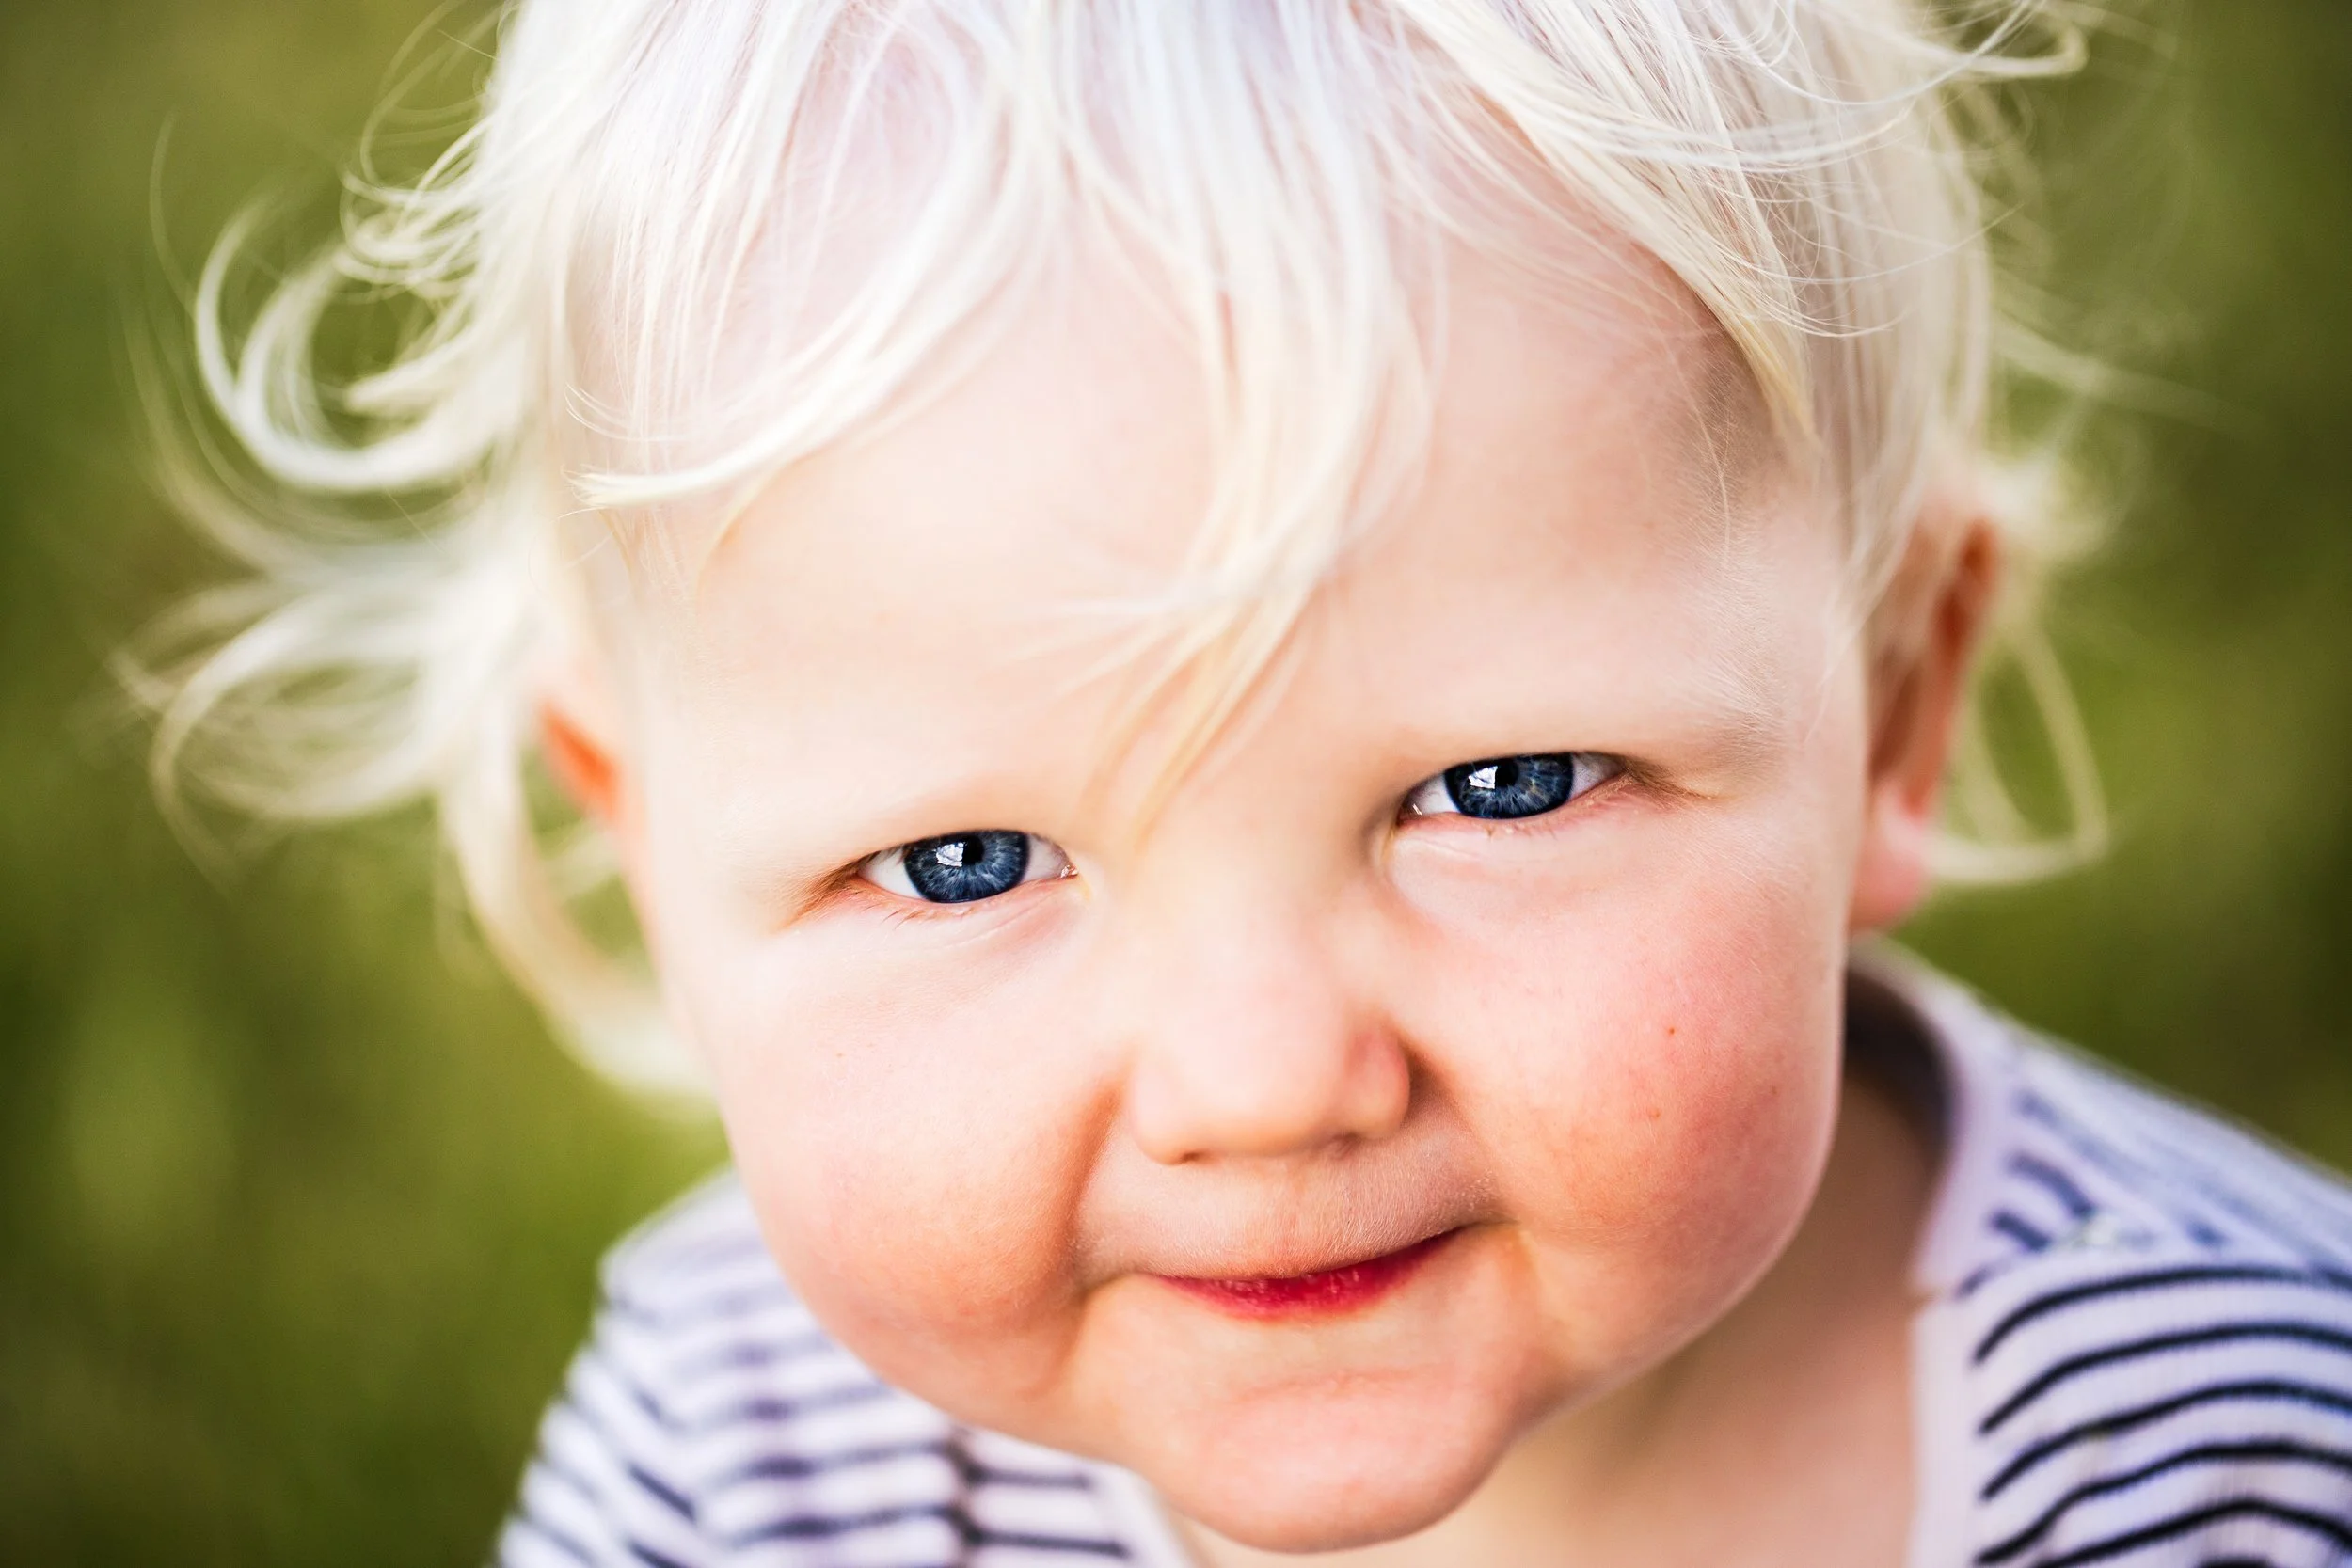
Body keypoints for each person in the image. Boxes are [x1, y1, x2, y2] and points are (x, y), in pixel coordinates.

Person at [142, 2, 2352, 1563]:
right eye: (965, 856)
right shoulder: (750, 1464)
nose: (1263, 1078)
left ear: (1888, 696)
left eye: (1495, 787)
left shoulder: (2227, 1448)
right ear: (649, 861)